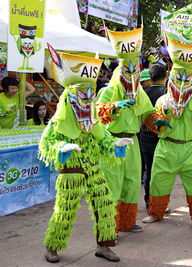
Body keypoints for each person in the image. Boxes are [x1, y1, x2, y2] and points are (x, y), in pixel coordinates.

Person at [40, 51, 133, 263]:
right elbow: (46, 143)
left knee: (104, 202)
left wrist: (115, 144)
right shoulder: (60, 119)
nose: (88, 100)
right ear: (70, 98)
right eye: (83, 95)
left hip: (91, 165)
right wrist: (63, 146)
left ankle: (104, 246)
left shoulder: (92, 119)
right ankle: (52, 246)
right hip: (71, 166)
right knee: (66, 207)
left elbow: (102, 139)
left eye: (91, 96)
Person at [97, 27, 169, 233]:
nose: (131, 75)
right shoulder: (109, 90)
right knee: (112, 183)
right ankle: (108, 226)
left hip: (133, 142)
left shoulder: (138, 92)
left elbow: (148, 113)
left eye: (134, 70)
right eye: (127, 70)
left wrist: (158, 121)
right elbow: (97, 112)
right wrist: (114, 107)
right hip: (112, 142)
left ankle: (127, 222)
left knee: (131, 182)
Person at [142, 37, 192, 232]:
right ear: (172, 78)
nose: (183, 84)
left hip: (187, 149)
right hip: (165, 147)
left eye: (187, 79)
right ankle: (155, 213)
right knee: (158, 182)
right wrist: (162, 116)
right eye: (179, 79)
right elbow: (156, 126)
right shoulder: (162, 99)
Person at [140, 64, 168, 209]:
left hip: (144, 136)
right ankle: (157, 204)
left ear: (150, 77)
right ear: (166, 75)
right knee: (162, 171)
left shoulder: (143, 93)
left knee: (149, 169)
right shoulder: (167, 94)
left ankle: (148, 201)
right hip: (162, 137)